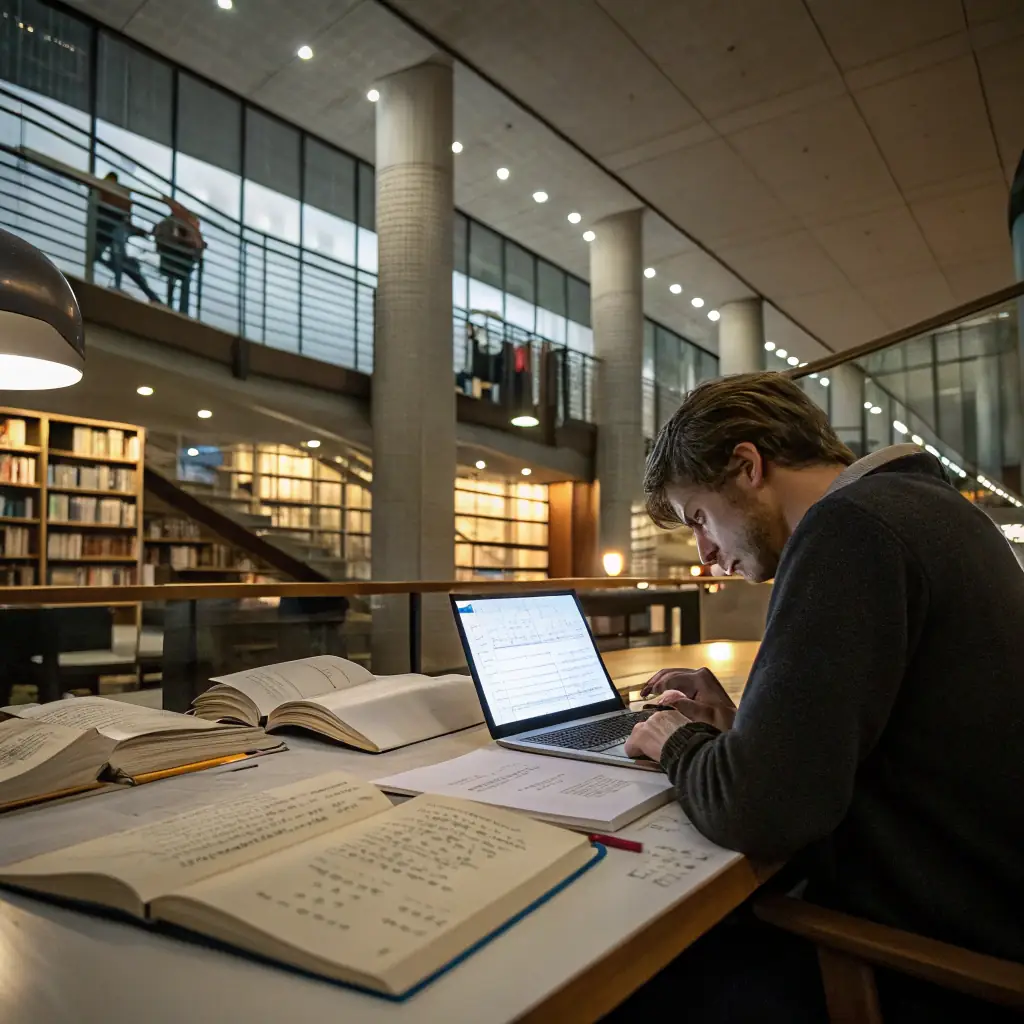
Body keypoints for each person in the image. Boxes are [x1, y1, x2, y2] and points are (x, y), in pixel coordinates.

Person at [609, 372, 1024, 1023]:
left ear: (748, 465)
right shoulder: (928, 509)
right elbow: (888, 735)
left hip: (922, 963)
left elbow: (761, 813)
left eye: (700, 518)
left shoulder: (849, 532)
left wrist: (676, 741)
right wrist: (745, 726)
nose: (706, 554)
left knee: (623, 979)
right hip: (984, 908)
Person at [91, 171, 161, 303]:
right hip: (107, 235)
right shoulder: (113, 197)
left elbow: (127, 223)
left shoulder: (110, 195)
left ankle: (149, 295)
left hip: (110, 235)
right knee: (112, 260)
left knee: (120, 263)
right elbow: (127, 222)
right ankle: (150, 295)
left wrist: (141, 232)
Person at [154, 198, 206, 313]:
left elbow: (196, 245)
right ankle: (173, 306)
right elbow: (163, 237)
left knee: (181, 283)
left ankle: (180, 308)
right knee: (174, 282)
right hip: (173, 257)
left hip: (183, 260)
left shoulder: (188, 228)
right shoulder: (169, 223)